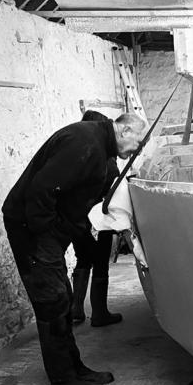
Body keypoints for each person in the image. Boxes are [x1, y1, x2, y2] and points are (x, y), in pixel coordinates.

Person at [2, 112, 147, 385]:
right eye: (138, 141)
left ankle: (74, 367)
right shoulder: (85, 143)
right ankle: (62, 380)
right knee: (52, 300)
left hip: (43, 232)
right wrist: (48, 235)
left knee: (63, 297)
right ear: (125, 129)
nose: (137, 149)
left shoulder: (99, 148)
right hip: (30, 229)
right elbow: (42, 190)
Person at [70, 110, 122, 328]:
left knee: (83, 260)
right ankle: (99, 313)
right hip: (99, 220)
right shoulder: (106, 160)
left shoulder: (76, 157)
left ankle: (76, 310)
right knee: (101, 265)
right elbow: (115, 190)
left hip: (77, 220)